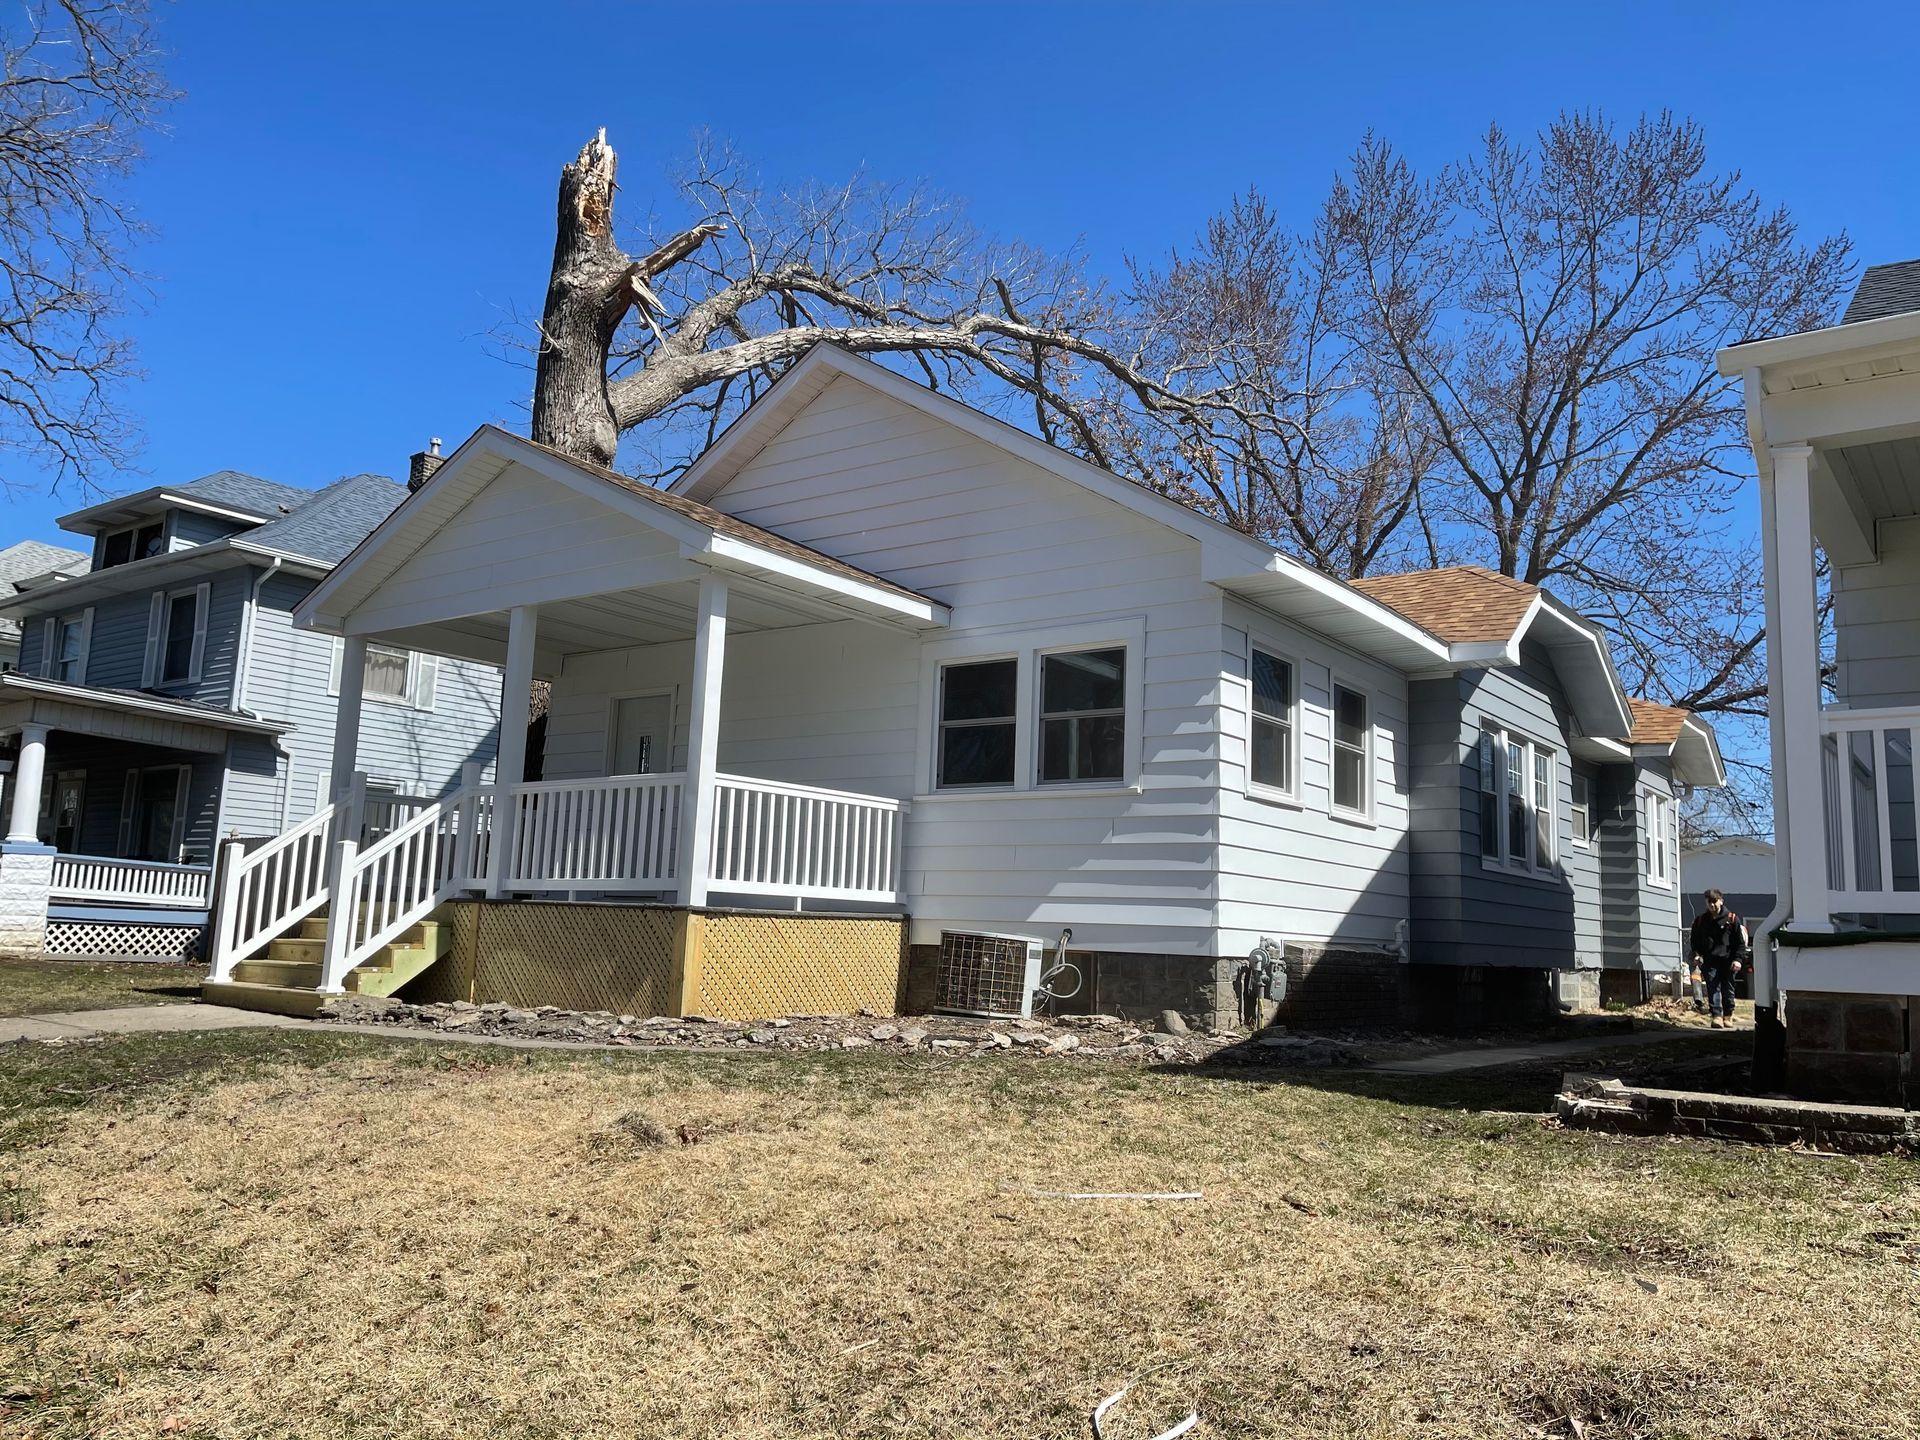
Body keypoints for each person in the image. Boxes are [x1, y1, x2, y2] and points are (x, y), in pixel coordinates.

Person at [1687, 888, 1749, 1028]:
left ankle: (1728, 1015)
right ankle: (1716, 1016)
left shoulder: (1732, 919)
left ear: (1721, 901)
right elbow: (1695, 942)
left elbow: (1740, 943)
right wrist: (1696, 954)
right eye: (1709, 902)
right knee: (1712, 988)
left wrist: (1738, 960)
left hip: (1729, 961)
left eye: (1714, 901)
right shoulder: (1701, 921)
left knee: (1728, 989)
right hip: (1710, 961)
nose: (1712, 905)